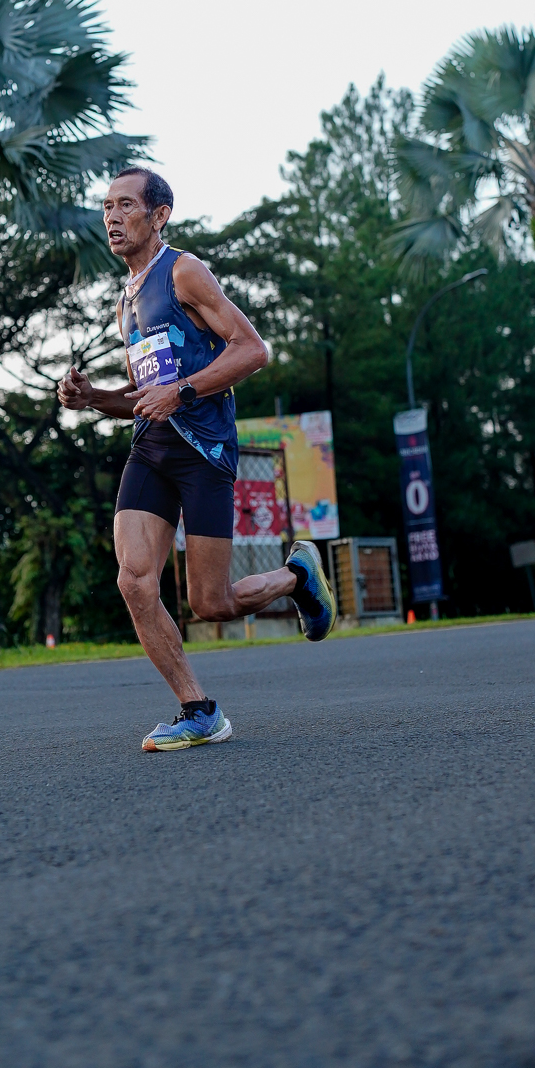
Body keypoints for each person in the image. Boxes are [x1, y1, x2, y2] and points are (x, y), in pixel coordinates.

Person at [58, 168, 336, 751]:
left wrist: (183, 392)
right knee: (135, 581)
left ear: (159, 215)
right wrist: (93, 398)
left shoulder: (183, 271)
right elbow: (144, 396)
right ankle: (198, 710)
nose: (112, 217)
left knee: (211, 603)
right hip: (150, 450)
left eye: (125, 205)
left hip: (203, 451)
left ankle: (297, 577)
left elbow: (252, 350)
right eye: (106, 206)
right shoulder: (125, 302)